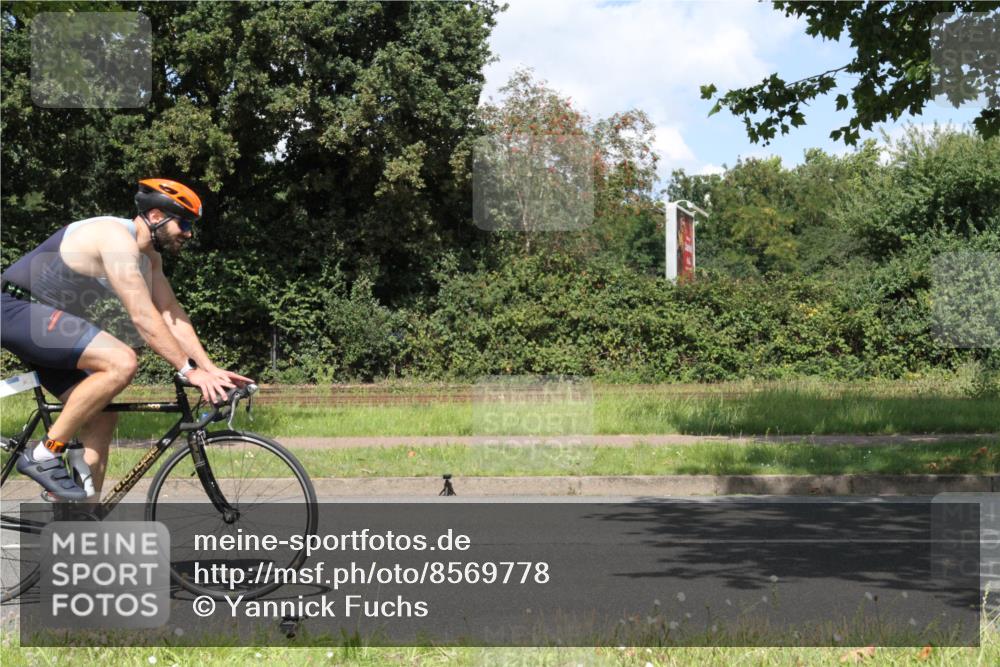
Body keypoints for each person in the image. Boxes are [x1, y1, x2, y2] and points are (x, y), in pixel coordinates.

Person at [1, 178, 252, 500]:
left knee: (102, 416)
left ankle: (79, 526)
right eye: (185, 223)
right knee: (121, 360)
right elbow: (143, 316)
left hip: (45, 326)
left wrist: (209, 368)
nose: (189, 233)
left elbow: (170, 313)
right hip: (15, 308)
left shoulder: (150, 258)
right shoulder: (116, 239)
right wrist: (188, 371)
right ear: (158, 216)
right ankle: (45, 455)